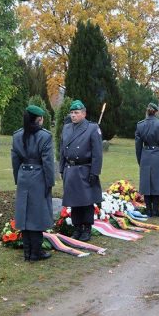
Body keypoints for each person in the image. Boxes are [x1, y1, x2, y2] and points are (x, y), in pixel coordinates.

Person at [11, 105, 55, 261]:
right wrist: (50, 183)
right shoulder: (45, 136)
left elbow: (15, 160)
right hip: (38, 177)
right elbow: (48, 163)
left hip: (24, 175)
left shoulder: (17, 136)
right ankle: (36, 253)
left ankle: (27, 252)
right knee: (37, 214)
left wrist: (19, 179)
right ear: (39, 119)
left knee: (24, 214)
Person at [59, 100, 103, 241]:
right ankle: (77, 228)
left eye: (76, 113)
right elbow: (62, 150)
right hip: (70, 169)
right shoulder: (66, 128)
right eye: (71, 113)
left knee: (86, 202)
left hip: (85, 169)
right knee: (74, 202)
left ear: (84, 113)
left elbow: (97, 153)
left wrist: (94, 172)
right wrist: (61, 169)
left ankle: (87, 229)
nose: (73, 115)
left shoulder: (91, 128)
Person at [135, 102, 159, 217]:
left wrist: (140, 159)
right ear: (156, 112)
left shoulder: (140, 125)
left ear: (147, 111)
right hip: (158, 156)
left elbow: (138, 146)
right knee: (157, 183)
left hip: (145, 155)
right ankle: (155, 210)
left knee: (146, 183)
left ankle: (149, 210)